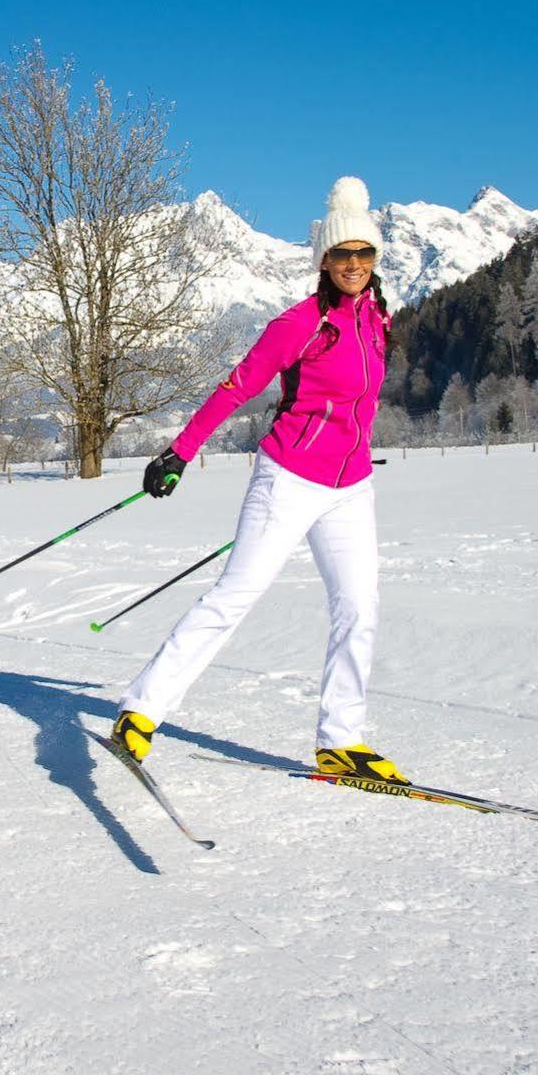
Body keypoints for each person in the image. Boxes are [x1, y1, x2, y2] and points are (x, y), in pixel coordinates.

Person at [112, 176, 408, 783]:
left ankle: (340, 740)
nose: (353, 264)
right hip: (289, 477)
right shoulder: (300, 323)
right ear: (324, 261)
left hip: (349, 486)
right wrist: (180, 452)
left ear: (375, 260)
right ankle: (140, 711)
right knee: (234, 595)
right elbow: (238, 386)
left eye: (364, 254)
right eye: (342, 254)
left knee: (359, 606)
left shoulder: (377, 319)